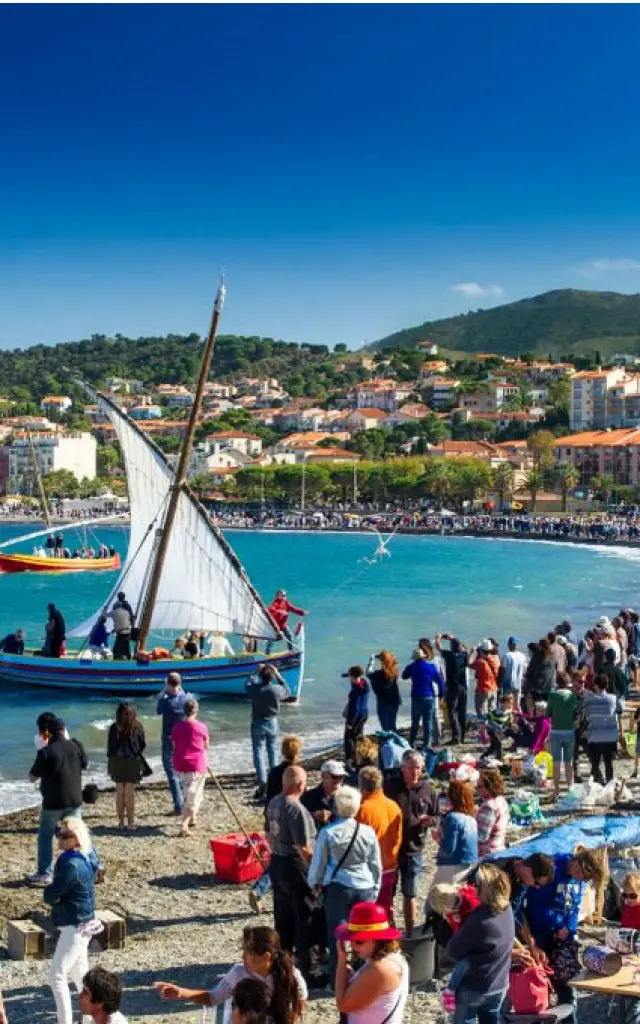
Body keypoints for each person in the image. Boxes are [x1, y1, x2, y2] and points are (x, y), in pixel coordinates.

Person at [156, 925, 307, 1023]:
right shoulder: (238, 973)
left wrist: (292, 1019)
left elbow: (301, 1001)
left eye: (247, 953)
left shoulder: (290, 974)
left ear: (266, 957)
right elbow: (213, 997)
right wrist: (182, 993)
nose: (243, 956)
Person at [308, 785, 381, 983]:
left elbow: (319, 863)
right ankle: (363, 975)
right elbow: (375, 863)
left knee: (338, 935)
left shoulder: (328, 832)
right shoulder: (367, 832)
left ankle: (337, 979)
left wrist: (314, 883)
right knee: (363, 933)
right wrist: (375, 888)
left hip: (338, 885)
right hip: (364, 884)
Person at [525, 848, 604, 1017]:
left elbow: (575, 907)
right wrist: (559, 924)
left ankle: (569, 1019)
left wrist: (570, 929)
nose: (580, 879)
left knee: (567, 987)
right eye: (580, 874)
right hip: (542, 936)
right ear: (577, 864)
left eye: (584, 878)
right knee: (540, 988)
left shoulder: (578, 880)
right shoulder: (552, 868)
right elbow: (538, 907)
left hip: (563, 938)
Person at [44, 817, 101, 1024]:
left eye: (64, 835)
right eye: (59, 832)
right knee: (82, 978)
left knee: (57, 976)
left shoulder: (70, 863)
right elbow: (96, 869)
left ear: (75, 839)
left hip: (74, 925)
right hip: (85, 921)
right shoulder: (86, 854)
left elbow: (52, 894)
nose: (59, 837)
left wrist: (49, 894)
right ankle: (92, 1020)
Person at [446, 863, 515, 1024]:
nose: (473, 888)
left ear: (485, 889)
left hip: (476, 988)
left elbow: (452, 951)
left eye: (476, 885)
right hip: (500, 983)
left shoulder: (479, 920)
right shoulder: (507, 908)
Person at [266, 765, 316, 979]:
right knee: (304, 914)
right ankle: (307, 965)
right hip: (294, 864)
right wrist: (315, 870)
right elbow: (303, 845)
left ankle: (282, 960)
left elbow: (267, 834)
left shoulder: (273, 802)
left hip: (277, 860)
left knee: (283, 915)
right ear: (300, 784)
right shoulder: (294, 808)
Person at [27, 713, 88, 886]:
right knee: (78, 834)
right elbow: (86, 764)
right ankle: (92, 866)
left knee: (46, 836)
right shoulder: (76, 745)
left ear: (50, 734)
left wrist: (40, 749)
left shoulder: (46, 752)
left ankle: (45, 873)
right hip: (75, 799)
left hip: (53, 802)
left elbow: (32, 777)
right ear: (64, 731)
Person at [384, 749, 438, 935]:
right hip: (390, 848)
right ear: (402, 768)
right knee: (387, 893)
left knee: (410, 893)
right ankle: (389, 931)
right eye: (411, 768)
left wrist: (430, 821)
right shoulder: (390, 787)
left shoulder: (428, 790)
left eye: (418, 768)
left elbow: (436, 815)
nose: (415, 772)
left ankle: (409, 931)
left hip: (414, 848)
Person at [334, 901, 408, 1024]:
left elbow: (343, 1005)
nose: (352, 945)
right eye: (351, 940)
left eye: (359, 941)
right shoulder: (395, 957)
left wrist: (341, 962)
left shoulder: (379, 970)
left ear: (378, 940)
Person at [357, 766, 402, 914]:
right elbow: (398, 837)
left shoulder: (362, 809)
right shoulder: (393, 806)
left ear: (361, 785)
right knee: (385, 907)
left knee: (369, 913)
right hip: (390, 865)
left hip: (369, 870)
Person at [245, 664, 290, 799]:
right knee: (272, 751)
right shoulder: (276, 689)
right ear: (272, 677)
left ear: (261, 676)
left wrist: (255, 672)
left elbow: (247, 683)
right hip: (272, 721)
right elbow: (287, 691)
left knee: (258, 752)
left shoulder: (255, 689)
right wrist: (279, 675)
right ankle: (274, 780)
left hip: (258, 721)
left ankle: (262, 782)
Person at [171, 698, 209, 836]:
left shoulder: (177, 726)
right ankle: (184, 825)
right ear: (196, 711)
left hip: (180, 763)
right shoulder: (201, 727)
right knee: (193, 795)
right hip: (196, 764)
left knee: (188, 792)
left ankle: (193, 817)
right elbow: (206, 746)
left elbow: (174, 746)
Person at [156, 672, 193, 814]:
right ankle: (186, 802)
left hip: (168, 738)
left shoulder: (165, 701)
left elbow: (158, 710)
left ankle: (178, 804)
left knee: (171, 771)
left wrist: (163, 692)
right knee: (184, 770)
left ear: (167, 684)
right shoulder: (186, 699)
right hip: (183, 738)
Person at [431, 779, 478, 889]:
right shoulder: (471, 819)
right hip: (469, 866)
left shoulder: (453, 818)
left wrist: (437, 838)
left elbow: (448, 849)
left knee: (435, 902)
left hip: (452, 867)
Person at [107, 703, 146, 829]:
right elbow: (141, 746)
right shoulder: (138, 727)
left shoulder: (114, 727)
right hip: (132, 762)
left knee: (120, 793)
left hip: (117, 762)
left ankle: (121, 823)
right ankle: (131, 823)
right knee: (130, 793)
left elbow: (110, 748)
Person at [401, 645, 444, 750]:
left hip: (417, 696)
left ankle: (411, 742)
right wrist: (442, 694)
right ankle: (426, 744)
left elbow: (404, 676)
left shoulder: (412, 667)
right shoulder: (431, 667)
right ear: (424, 657)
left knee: (415, 721)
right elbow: (440, 682)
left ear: (415, 658)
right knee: (428, 721)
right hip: (429, 696)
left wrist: (410, 669)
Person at [583, 672, 623, 784]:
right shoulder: (614, 699)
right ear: (606, 685)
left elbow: (585, 713)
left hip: (595, 736)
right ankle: (610, 783)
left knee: (595, 763)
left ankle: (596, 784)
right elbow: (620, 710)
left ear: (595, 685)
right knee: (608, 763)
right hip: (610, 736)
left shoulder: (589, 700)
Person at [546, 673, 577, 799]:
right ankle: (570, 785)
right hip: (569, 730)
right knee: (569, 761)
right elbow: (575, 713)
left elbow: (548, 712)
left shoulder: (553, 696)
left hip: (556, 731)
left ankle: (557, 788)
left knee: (556, 762)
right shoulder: (572, 696)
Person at [436, 633, 469, 745]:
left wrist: (438, 637)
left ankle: (456, 736)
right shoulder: (464, 655)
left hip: (453, 687)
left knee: (452, 712)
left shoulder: (449, 655)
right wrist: (454, 638)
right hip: (463, 687)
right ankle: (462, 737)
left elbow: (438, 647)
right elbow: (465, 647)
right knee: (462, 712)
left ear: (451, 647)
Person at [301, 759, 346, 827]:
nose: (338, 780)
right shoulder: (309, 798)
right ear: (323, 776)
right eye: (335, 777)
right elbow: (298, 820)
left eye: (341, 777)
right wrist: (313, 816)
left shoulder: (348, 797)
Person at [476, 769, 509, 858]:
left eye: (479, 786)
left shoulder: (488, 806)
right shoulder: (502, 801)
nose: (476, 789)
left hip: (487, 854)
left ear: (490, 787)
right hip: (500, 849)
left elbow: (482, 836)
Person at [366, 650, 401, 733]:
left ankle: (390, 743)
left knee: (385, 726)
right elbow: (392, 661)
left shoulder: (379, 674)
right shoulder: (394, 672)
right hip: (394, 700)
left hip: (383, 701)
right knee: (392, 724)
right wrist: (384, 657)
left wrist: (372, 661)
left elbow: (368, 673)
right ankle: (395, 742)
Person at [342, 666, 370, 769]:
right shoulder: (364, 683)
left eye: (349, 675)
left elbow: (355, 708)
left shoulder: (356, 691)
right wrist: (351, 678)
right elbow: (357, 679)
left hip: (356, 716)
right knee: (358, 735)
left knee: (349, 737)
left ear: (353, 676)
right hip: (364, 714)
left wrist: (350, 723)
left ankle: (350, 760)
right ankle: (360, 757)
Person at [266, 735, 303, 806]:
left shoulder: (274, 771)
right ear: (298, 752)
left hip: (275, 808)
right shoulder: (299, 772)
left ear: (283, 752)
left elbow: (270, 797)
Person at [469, 641, 499, 720]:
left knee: (482, 713)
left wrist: (472, 652)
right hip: (494, 689)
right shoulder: (495, 658)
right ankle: (491, 731)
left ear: (482, 651)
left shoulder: (480, 662)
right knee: (491, 713)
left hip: (483, 690)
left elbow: (469, 664)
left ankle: (483, 731)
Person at [523, 637, 556, 702]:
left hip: (537, 686)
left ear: (541, 646)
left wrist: (526, 676)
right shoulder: (552, 656)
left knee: (536, 705)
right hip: (549, 685)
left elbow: (530, 669)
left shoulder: (538, 655)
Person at [109, 594, 133, 661]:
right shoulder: (127, 605)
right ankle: (127, 656)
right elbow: (130, 616)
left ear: (118, 597)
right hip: (127, 628)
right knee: (126, 644)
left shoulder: (119, 606)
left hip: (121, 630)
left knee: (118, 645)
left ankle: (118, 657)